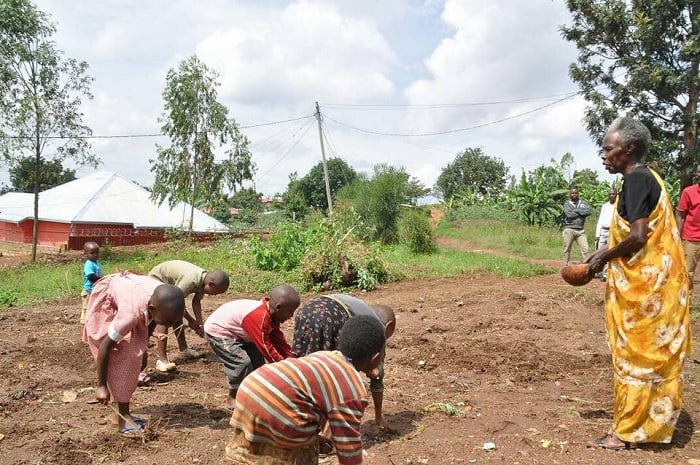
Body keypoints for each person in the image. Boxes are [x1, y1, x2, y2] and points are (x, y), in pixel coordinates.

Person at [585, 116, 692, 450]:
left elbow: (638, 236)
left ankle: (625, 432)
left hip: (645, 292)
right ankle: (655, 428)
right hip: (664, 286)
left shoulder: (634, 180)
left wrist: (603, 257)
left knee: (634, 356)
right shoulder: (651, 177)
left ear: (627, 149)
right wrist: (607, 248)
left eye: (608, 149)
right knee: (657, 357)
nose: (603, 155)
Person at [225, 314, 386, 465]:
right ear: (375, 357)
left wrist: (319, 437)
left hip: (251, 389)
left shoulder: (326, 356)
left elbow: (313, 401)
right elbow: (348, 448)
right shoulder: (352, 389)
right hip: (275, 411)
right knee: (306, 452)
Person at [82, 272, 185, 436]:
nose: (168, 326)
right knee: (124, 357)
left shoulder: (159, 301)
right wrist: (101, 386)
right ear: (152, 309)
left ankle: (120, 413)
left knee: (135, 356)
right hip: (108, 298)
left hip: (130, 292)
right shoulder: (131, 314)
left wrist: (144, 347)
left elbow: (151, 323)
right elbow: (105, 346)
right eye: (166, 321)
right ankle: (123, 418)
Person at [291, 294, 396, 429]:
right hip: (331, 317)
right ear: (389, 325)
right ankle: (324, 427)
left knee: (308, 369)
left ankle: (298, 419)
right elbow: (377, 374)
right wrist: (378, 417)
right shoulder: (375, 327)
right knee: (332, 375)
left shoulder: (360, 308)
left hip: (307, 310)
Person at [203, 284, 300, 410]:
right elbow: (266, 348)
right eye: (290, 312)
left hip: (241, 333)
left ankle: (254, 395)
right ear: (278, 308)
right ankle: (233, 398)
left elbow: (278, 341)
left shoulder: (271, 316)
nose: (291, 316)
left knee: (257, 364)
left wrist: (293, 361)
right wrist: (285, 370)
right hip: (220, 332)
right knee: (241, 363)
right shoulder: (259, 317)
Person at [148, 260, 229, 372]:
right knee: (166, 317)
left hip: (170, 288)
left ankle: (183, 350)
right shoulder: (191, 280)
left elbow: (196, 302)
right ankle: (162, 360)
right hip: (157, 280)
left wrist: (200, 324)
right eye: (215, 293)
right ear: (211, 284)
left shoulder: (203, 281)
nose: (213, 295)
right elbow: (174, 303)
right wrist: (191, 321)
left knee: (176, 316)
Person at [676, 165, 700, 290]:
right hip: (691, 239)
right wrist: (677, 237)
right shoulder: (688, 192)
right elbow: (680, 215)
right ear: (698, 175)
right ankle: (686, 305)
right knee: (687, 273)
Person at [562, 185, 592, 265]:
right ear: (569, 194)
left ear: (578, 194)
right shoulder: (567, 203)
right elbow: (569, 215)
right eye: (572, 193)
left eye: (576, 193)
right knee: (567, 249)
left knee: (586, 250)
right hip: (569, 229)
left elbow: (588, 211)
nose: (574, 194)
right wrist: (581, 212)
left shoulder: (583, 203)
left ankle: (588, 267)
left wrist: (576, 210)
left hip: (580, 230)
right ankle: (565, 266)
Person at [593, 188, 618, 281]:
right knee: (599, 252)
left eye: (613, 194)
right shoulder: (605, 206)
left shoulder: (618, 206)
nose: (612, 195)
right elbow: (600, 220)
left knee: (609, 252)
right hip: (603, 231)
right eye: (610, 194)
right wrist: (597, 234)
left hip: (613, 231)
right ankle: (599, 272)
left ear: (616, 195)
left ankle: (606, 273)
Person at [80, 241, 103, 324]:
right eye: (92, 253)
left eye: (97, 253)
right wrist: (101, 281)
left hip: (95, 290)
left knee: (94, 306)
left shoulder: (96, 263)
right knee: (86, 307)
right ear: (86, 254)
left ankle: (92, 320)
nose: (95, 255)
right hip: (88, 290)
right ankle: (84, 321)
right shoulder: (89, 264)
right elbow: (91, 276)